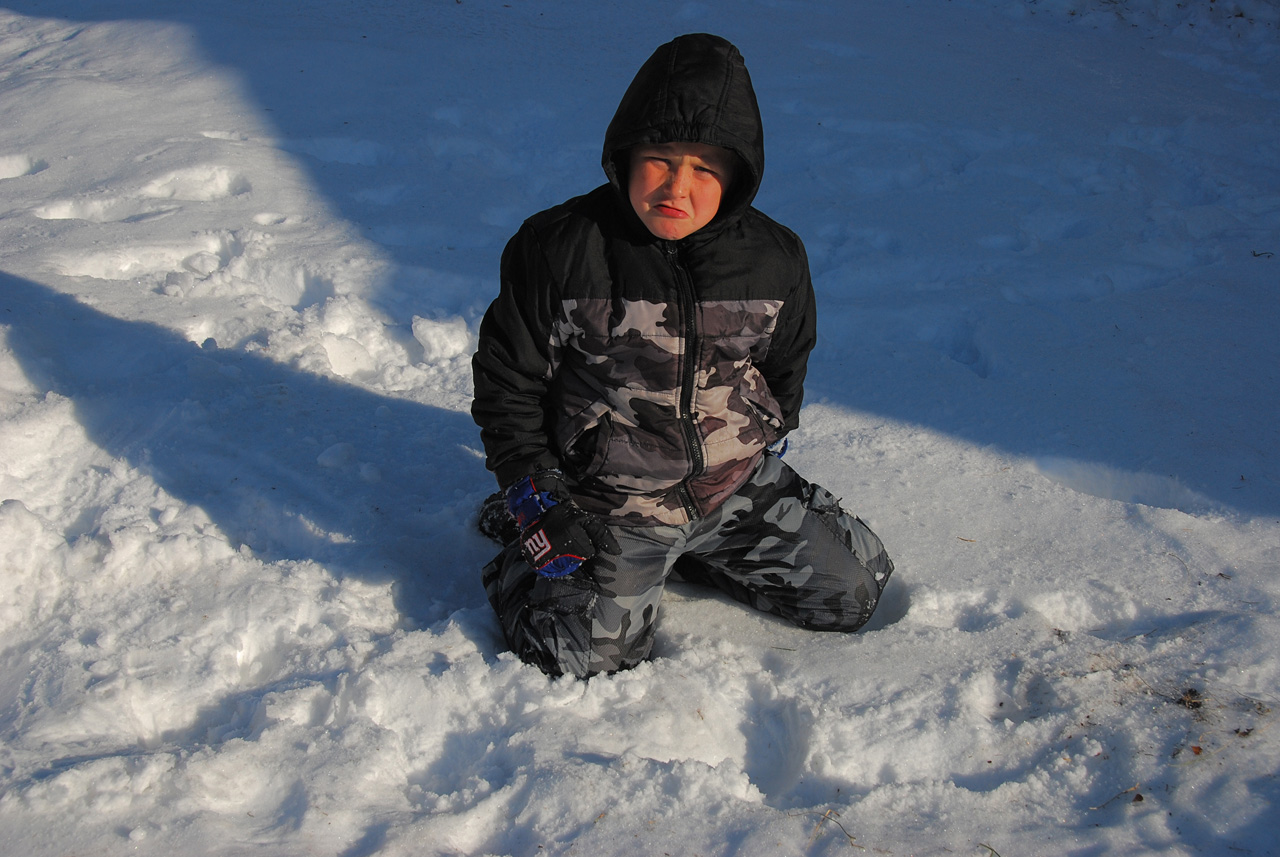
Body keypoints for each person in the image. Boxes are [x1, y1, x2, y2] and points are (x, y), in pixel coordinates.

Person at [471, 33, 894, 679]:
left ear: (737, 175)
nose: (678, 186)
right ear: (625, 155)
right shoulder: (560, 248)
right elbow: (509, 381)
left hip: (728, 487)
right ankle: (523, 561)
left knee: (855, 593)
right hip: (610, 501)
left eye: (705, 168)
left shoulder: (774, 257)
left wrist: (765, 434)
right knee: (584, 657)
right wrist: (536, 491)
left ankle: (694, 550)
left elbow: (785, 362)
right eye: (661, 160)